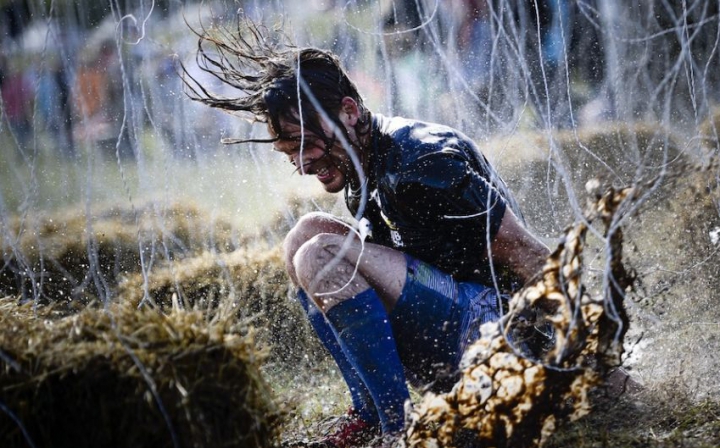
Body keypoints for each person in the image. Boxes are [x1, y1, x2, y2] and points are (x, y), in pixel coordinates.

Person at [183, 18, 550, 447]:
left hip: (501, 341)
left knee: (320, 255)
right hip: (454, 329)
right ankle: (372, 417)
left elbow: (527, 252)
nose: (302, 165)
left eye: (305, 145)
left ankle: (398, 432)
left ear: (350, 111)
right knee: (304, 236)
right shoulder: (361, 162)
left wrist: (597, 356)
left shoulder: (423, 163)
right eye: (290, 154)